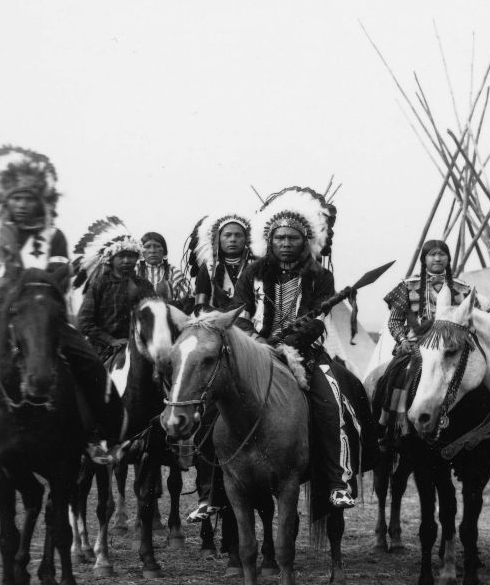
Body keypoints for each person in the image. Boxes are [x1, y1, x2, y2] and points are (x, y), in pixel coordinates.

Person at [232, 186, 360, 511]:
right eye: (279, 238)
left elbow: (318, 320)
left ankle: (338, 481)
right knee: (216, 399)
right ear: (270, 241)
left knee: (333, 404)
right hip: (255, 353)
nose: (285, 244)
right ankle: (214, 492)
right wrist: (256, 341)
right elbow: (237, 314)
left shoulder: (321, 277)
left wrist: (289, 343)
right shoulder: (251, 274)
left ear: (305, 241)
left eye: (292, 238)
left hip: (306, 354)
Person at [0, 146, 110, 434]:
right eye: (17, 198)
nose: (22, 204)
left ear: (40, 201)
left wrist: (28, 288)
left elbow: (60, 277)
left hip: (44, 318)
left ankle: (104, 435)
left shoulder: (54, 236)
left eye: (28, 199)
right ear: (6, 201)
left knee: (91, 363)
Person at [383, 239, 471, 354]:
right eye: (432, 254)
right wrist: (402, 339)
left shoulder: (462, 288)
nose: (437, 259)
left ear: (448, 258)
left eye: (442, 254)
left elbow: (478, 317)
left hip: (455, 347)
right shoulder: (408, 286)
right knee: (395, 371)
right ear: (424, 259)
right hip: (416, 346)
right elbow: (395, 321)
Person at [77, 229, 152, 359]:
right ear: (111, 259)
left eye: (131, 256)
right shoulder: (99, 285)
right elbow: (84, 322)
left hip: (140, 350)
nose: (127, 260)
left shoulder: (144, 285)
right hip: (103, 350)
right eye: (121, 256)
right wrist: (111, 340)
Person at [190, 212, 254, 313]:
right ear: (218, 239)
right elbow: (199, 307)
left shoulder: (255, 266)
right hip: (216, 323)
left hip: (252, 323)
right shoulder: (208, 267)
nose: (233, 239)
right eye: (227, 235)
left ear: (246, 239)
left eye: (238, 235)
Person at [136, 231, 189, 307]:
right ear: (141, 252)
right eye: (147, 247)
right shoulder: (134, 271)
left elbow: (185, 303)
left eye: (157, 246)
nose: (152, 251)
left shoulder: (174, 273)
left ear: (164, 251)